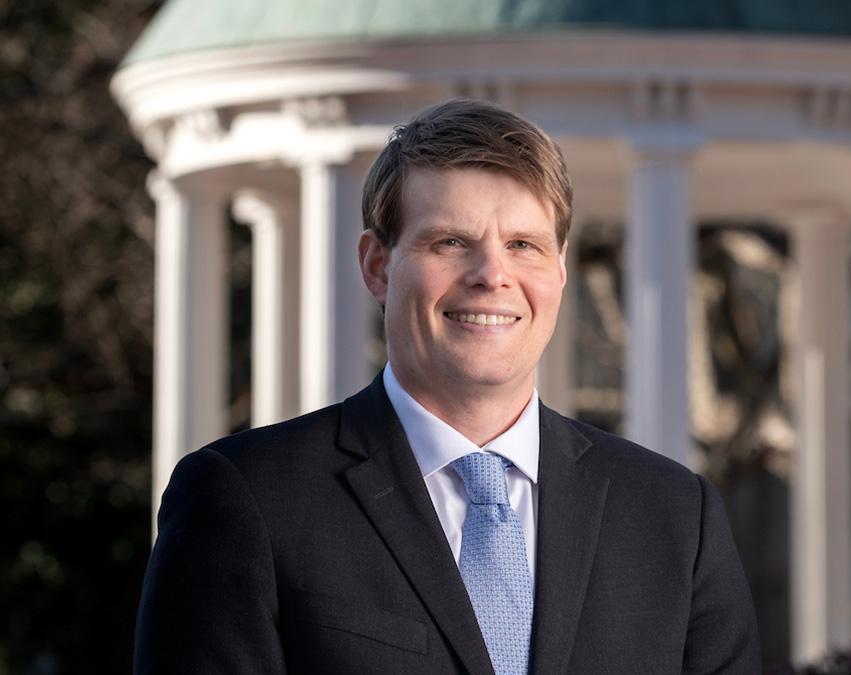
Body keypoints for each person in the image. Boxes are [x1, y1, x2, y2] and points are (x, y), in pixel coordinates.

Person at [133, 99, 760, 674]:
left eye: (524, 245)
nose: (493, 275)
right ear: (378, 266)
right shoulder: (248, 499)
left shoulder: (675, 517)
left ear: (561, 268)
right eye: (451, 242)